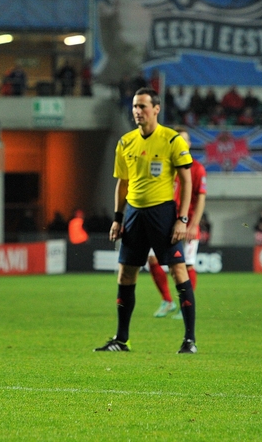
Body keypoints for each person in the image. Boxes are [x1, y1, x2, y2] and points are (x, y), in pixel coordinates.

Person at [95, 87, 196, 354]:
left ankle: (189, 340)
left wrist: (182, 219)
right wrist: (118, 218)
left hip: (163, 214)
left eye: (142, 106)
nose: (137, 112)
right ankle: (121, 339)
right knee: (126, 273)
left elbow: (187, 181)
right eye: (135, 107)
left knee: (178, 270)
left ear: (156, 109)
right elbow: (122, 183)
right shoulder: (125, 142)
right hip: (134, 215)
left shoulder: (172, 140)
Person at [147, 127, 207, 319]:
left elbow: (201, 198)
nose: (183, 143)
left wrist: (193, 224)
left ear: (189, 144)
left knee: (186, 265)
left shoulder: (197, 168)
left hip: (187, 223)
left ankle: (185, 305)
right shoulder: (166, 166)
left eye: (185, 140)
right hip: (165, 223)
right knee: (152, 259)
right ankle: (168, 301)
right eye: (178, 140)